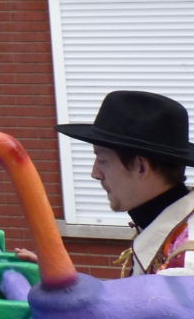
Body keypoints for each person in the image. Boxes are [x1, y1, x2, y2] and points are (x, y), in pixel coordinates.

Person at [47, 90, 194, 276]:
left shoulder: (184, 266)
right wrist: (65, 280)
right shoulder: (164, 229)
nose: (95, 173)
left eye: (102, 160)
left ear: (141, 167)